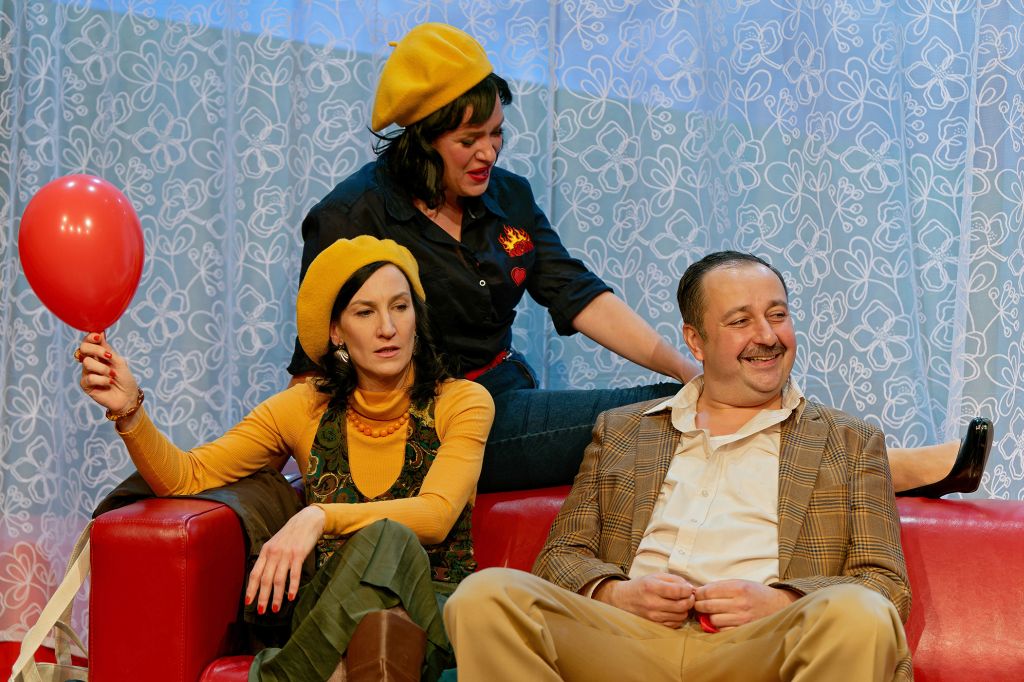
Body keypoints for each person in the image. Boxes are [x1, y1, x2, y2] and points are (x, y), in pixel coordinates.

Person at [288, 22, 989, 497]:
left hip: (505, 394)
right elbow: (315, 363)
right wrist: (324, 480)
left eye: (497, 134)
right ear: (421, 137)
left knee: (704, 392)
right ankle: (886, 469)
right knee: (666, 414)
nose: (488, 153)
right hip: (435, 427)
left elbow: (578, 293)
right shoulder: (353, 215)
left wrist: (687, 368)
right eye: (469, 141)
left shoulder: (508, 196)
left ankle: (874, 464)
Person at [444, 251, 912, 681]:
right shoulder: (623, 430)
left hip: (763, 647)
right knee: (486, 598)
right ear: (696, 341)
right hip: (624, 645)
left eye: (777, 315)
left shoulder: (848, 441)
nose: (768, 336)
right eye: (741, 321)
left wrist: (781, 600)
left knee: (861, 613)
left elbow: (886, 585)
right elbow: (559, 557)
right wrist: (615, 593)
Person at [76, 236, 494, 681]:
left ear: (416, 317)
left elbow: (436, 515)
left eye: (400, 307)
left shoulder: (463, 401)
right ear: (336, 332)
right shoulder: (304, 407)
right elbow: (186, 477)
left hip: (434, 606)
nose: (388, 328)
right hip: (333, 611)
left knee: (391, 546)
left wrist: (318, 516)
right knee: (376, 605)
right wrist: (130, 412)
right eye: (365, 312)